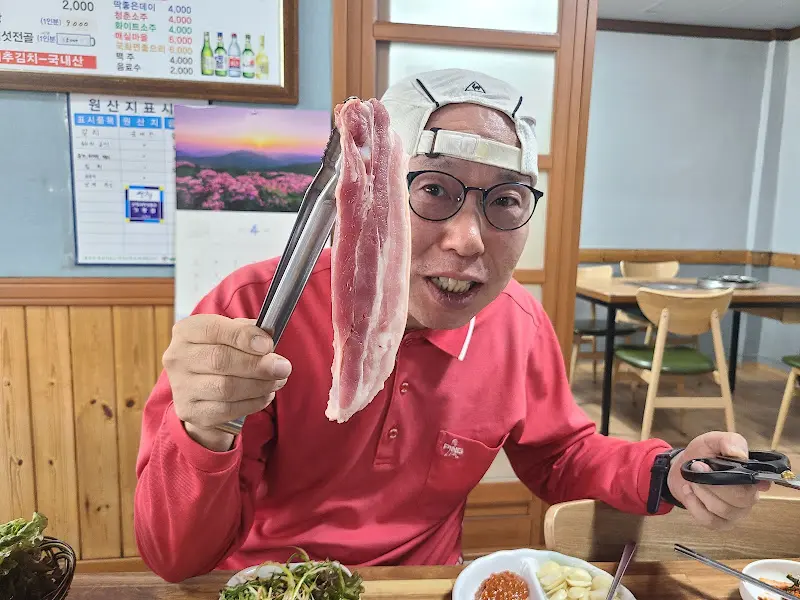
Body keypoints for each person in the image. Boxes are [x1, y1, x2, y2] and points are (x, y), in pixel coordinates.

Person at [134, 68, 768, 583]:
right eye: (434, 190)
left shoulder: (516, 323)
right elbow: (175, 558)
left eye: (506, 201)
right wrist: (203, 432)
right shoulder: (254, 310)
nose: (469, 240)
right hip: (275, 583)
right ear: (372, 197)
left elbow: (560, 454)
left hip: (428, 583)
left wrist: (667, 470)